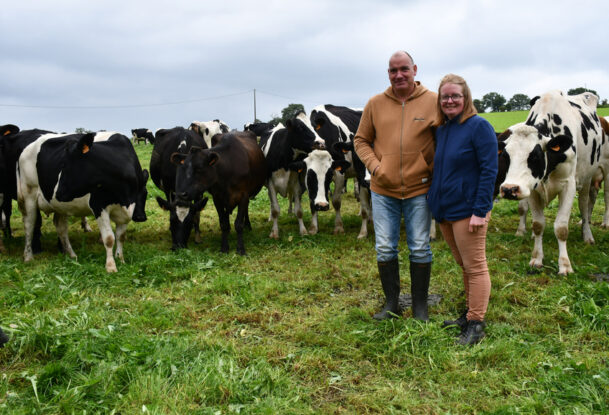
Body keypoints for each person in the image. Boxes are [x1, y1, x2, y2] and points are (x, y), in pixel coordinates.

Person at [354, 50, 437, 321]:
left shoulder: (433, 102)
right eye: (393, 70)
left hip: (419, 188)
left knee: (420, 246)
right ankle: (391, 303)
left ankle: (420, 306)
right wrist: (376, 167)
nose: (398, 75)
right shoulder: (375, 104)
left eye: (403, 69)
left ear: (415, 69)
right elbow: (361, 141)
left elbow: (444, 140)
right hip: (383, 190)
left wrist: (431, 169)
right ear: (388, 73)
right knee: (385, 247)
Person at [426, 74, 498, 345]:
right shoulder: (443, 130)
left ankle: (476, 324)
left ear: (466, 98)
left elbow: (490, 171)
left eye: (456, 95)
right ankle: (468, 315)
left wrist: (481, 210)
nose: (450, 100)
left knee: (476, 266)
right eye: (445, 96)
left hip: (469, 210)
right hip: (446, 210)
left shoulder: (479, 126)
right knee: (464, 265)